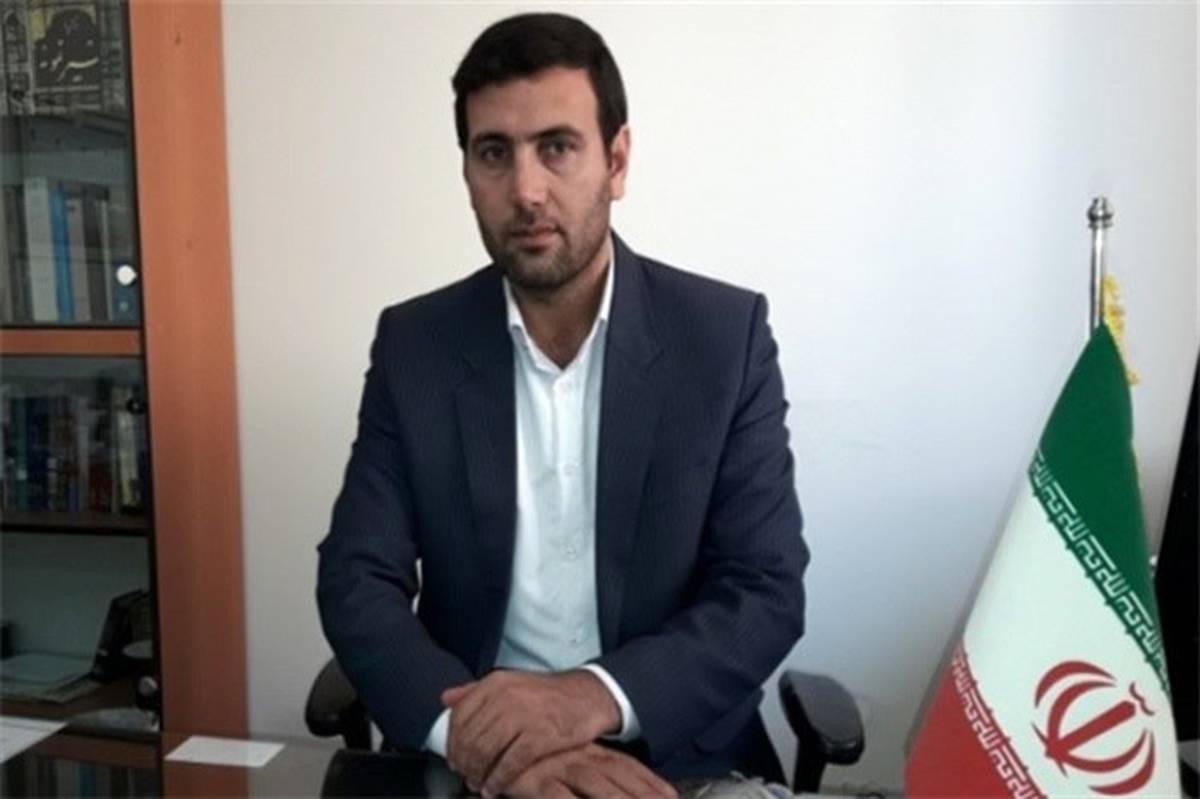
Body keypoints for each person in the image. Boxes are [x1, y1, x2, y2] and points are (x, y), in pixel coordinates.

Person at [317, 12, 808, 798]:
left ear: (616, 160)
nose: (526, 190)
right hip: (475, 759)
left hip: (676, 755)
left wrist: (586, 700)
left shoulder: (723, 339)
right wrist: (486, 740)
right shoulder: (416, 346)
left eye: (557, 146)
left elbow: (764, 589)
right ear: (466, 172)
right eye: (494, 153)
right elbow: (356, 578)